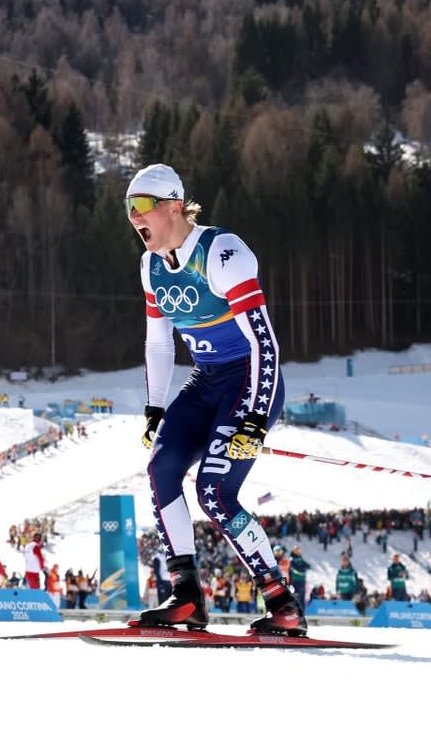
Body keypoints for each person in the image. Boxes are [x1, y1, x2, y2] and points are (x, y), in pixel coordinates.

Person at [124, 163, 303, 636]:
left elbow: (265, 344)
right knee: (161, 470)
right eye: (128, 210)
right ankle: (187, 598)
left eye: (141, 206)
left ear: (174, 206)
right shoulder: (150, 266)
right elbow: (159, 343)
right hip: (206, 380)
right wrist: (154, 407)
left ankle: (282, 603)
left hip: (248, 380)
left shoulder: (222, 254)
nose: (133, 217)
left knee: (214, 493)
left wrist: (256, 421)